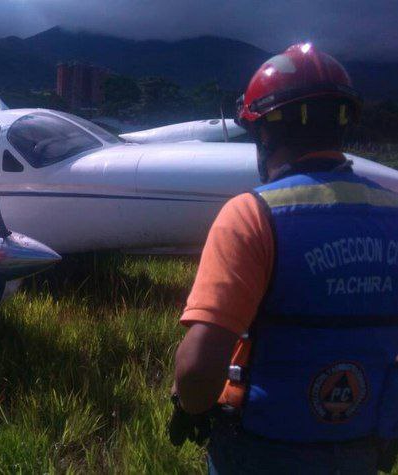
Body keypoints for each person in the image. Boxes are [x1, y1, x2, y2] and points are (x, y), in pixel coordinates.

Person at [170, 44, 398, 474]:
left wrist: (190, 407)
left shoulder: (252, 215)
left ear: (265, 134)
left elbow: (199, 369)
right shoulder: (393, 213)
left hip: (260, 449)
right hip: (363, 446)